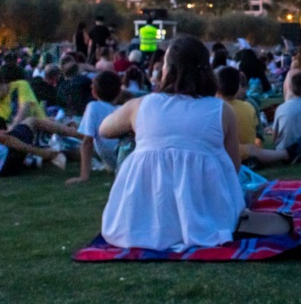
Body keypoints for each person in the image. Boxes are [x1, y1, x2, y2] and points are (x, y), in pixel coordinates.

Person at [96, 36, 247, 249]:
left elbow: (104, 130)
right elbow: (234, 166)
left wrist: (137, 130)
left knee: (130, 139)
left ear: (167, 69)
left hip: (140, 222)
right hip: (210, 215)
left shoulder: (142, 105)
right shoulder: (221, 110)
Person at [67, 70, 124, 185]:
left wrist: (84, 176)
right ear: (119, 91)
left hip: (120, 160)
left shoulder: (94, 107)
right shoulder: (122, 109)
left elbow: (87, 142)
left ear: (94, 92)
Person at [0, 64, 45, 130]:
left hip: (41, 130)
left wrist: (11, 131)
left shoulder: (20, 86)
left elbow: (24, 109)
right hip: (21, 137)